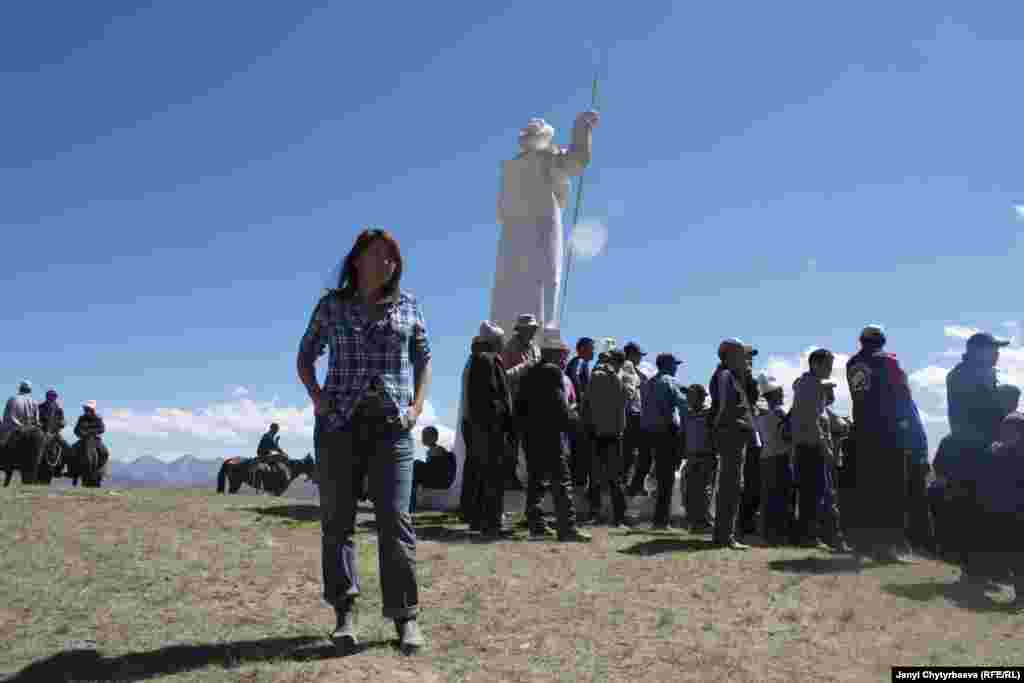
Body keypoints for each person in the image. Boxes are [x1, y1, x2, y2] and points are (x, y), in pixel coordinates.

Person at [296, 228, 431, 653]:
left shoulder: (409, 306)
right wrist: (318, 398)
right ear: (357, 260)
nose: (387, 264)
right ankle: (345, 613)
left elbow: (424, 357)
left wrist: (417, 408)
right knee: (338, 523)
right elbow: (305, 355)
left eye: (393, 258)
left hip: (393, 428)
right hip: (339, 427)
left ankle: (405, 618)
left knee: (396, 521)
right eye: (379, 256)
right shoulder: (332, 306)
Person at [491, 110, 599, 332]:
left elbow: (500, 211)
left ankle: (506, 333)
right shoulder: (548, 157)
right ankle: (540, 332)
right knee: (545, 277)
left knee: (511, 283)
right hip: (542, 226)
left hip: (512, 235)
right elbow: (578, 160)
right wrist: (582, 128)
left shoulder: (510, 168)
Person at [845, 324, 926, 562]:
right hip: (887, 431)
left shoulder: (852, 364)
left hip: (862, 430)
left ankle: (863, 543)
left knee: (867, 487)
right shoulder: (888, 361)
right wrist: (911, 427)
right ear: (882, 341)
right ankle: (888, 546)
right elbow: (902, 395)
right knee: (891, 488)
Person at [516, 328, 591, 542]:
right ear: (554, 353)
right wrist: (576, 423)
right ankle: (567, 528)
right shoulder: (553, 372)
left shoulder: (529, 373)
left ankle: (536, 525)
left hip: (531, 436)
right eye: (563, 353)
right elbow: (560, 407)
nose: (565, 357)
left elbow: (519, 407)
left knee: (536, 482)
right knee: (561, 481)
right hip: (551, 435)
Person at [467, 322, 515, 538]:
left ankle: (485, 521)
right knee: (493, 476)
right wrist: (504, 423)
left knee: (486, 475)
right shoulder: (487, 360)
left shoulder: (480, 359)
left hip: (484, 428)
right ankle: (492, 523)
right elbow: (494, 397)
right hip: (491, 428)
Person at [712, 339, 759, 550]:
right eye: (741, 355)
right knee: (731, 484)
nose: (745, 359)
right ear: (730, 356)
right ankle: (724, 535)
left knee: (732, 484)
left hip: (733, 432)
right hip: (731, 432)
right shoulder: (725, 375)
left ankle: (724, 533)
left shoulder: (733, 376)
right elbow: (723, 407)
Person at [791, 349, 839, 550]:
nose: (830, 369)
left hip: (807, 444)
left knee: (812, 493)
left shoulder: (807, 384)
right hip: (811, 445)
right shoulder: (810, 385)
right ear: (815, 365)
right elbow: (812, 419)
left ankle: (810, 536)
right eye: (827, 365)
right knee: (818, 492)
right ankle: (816, 536)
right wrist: (824, 445)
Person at [639, 353, 689, 529]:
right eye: (675, 364)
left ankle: (658, 518)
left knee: (658, 476)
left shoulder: (647, 384)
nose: (676, 367)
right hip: (667, 432)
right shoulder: (670, 381)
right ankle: (661, 521)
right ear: (668, 365)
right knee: (667, 477)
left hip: (648, 434)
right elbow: (685, 406)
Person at [582, 348, 629, 527]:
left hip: (607, 433)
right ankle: (606, 515)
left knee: (607, 477)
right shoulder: (605, 377)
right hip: (604, 432)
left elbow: (626, 397)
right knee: (603, 477)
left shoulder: (617, 377)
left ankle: (611, 516)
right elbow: (587, 401)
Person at [501, 314, 542, 491]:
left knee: (532, 443)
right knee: (513, 442)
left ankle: (533, 477)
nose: (532, 332)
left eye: (534, 329)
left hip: (532, 402)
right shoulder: (509, 348)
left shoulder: (535, 348)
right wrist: (525, 367)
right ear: (521, 330)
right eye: (530, 329)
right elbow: (504, 376)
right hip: (515, 401)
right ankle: (509, 477)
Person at [755, 375, 795, 545]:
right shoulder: (780, 412)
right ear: (776, 393)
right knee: (783, 496)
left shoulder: (761, 415)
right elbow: (789, 434)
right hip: (781, 457)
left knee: (769, 497)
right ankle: (781, 533)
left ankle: (768, 533)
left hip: (766, 457)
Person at [683, 384, 717, 533]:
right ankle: (693, 522)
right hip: (691, 457)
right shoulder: (688, 414)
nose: (688, 398)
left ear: (701, 397)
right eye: (688, 395)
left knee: (704, 491)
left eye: (691, 395)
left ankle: (703, 522)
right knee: (690, 490)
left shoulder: (709, 413)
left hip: (706, 456)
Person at [623, 341, 654, 496]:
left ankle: (633, 484)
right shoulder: (626, 367)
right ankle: (632, 484)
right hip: (631, 414)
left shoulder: (633, 369)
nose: (640, 359)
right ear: (631, 354)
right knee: (638, 453)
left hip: (634, 414)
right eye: (639, 355)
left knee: (634, 453)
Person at [566, 337, 595, 487]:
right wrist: (582, 398)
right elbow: (574, 376)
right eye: (591, 348)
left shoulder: (581, 363)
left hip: (576, 410)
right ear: (582, 349)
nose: (593, 352)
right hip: (578, 412)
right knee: (580, 448)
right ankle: (578, 481)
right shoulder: (579, 362)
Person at [410, 427, 457, 514]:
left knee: (415, 466)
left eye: (425, 436)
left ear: (433, 437)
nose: (423, 438)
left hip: (439, 481)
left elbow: (435, 470)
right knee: (414, 469)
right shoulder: (436, 450)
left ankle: (410, 505)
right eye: (423, 435)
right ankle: (410, 504)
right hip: (437, 479)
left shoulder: (437, 450)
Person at [0, 381, 39, 450]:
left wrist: (20, 426)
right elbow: (36, 420)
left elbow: (9, 417)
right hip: (30, 429)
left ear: (20, 388)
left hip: (13, 429)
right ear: (30, 390)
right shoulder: (34, 402)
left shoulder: (13, 399)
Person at [73, 400, 110, 469]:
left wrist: (91, 432)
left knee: (105, 452)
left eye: (88, 409)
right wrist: (81, 433)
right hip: (83, 440)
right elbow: (76, 430)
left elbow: (102, 428)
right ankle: (72, 471)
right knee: (72, 450)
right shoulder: (81, 418)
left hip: (95, 440)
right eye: (85, 409)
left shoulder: (98, 418)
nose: (86, 410)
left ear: (92, 410)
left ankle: (99, 468)